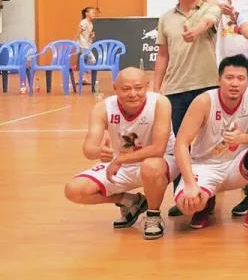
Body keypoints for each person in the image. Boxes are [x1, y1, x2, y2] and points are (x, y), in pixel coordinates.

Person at [64, 67, 175, 240]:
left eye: (138, 88)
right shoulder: (103, 108)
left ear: (147, 86)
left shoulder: (160, 103)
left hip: (160, 162)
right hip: (122, 164)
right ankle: (131, 201)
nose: (133, 94)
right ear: (115, 88)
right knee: (74, 190)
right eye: (126, 89)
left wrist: (119, 159)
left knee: (151, 165)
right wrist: (99, 151)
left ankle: (153, 215)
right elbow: (88, 149)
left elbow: (158, 149)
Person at [173, 55, 248, 230]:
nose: (235, 83)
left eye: (241, 78)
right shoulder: (204, 101)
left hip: (237, 166)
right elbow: (181, 143)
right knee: (188, 205)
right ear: (219, 80)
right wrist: (190, 183)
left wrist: (242, 138)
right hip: (205, 166)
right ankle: (205, 202)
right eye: (229, 78)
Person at [154, 0, 220, 134]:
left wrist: (194, 31)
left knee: (211, 137)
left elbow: (208, 21)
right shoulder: (166, 18)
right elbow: (162, 55)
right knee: (180, 138)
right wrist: (156, 89)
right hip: (176, 88)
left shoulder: (211, 8)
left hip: (208, 85)